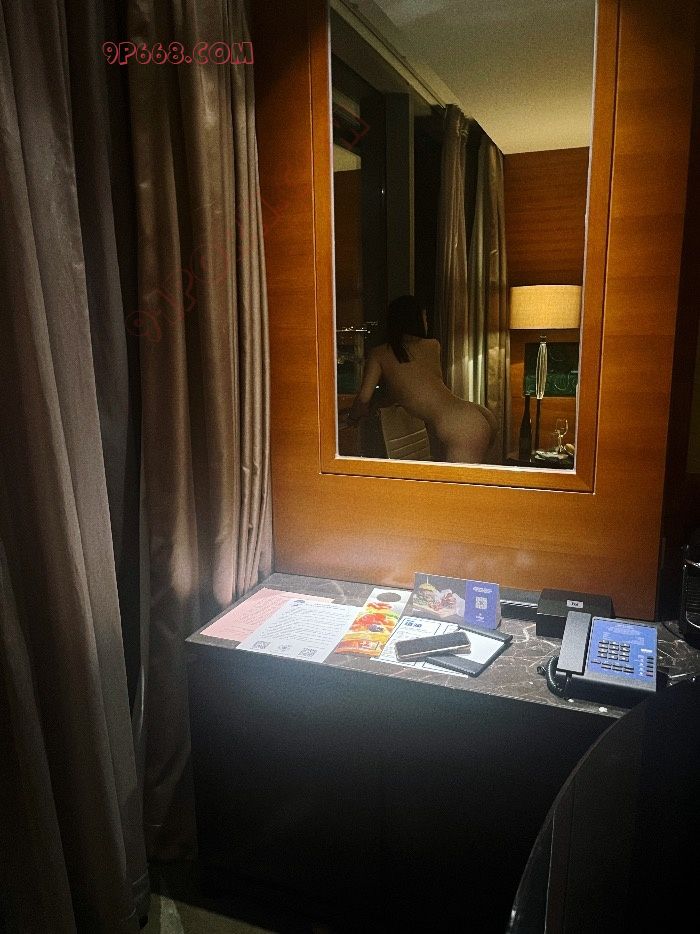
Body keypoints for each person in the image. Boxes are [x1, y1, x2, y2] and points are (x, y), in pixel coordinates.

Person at [349, 295, 497, 463]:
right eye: (424, 317)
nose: (426, 322)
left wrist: (352, 419)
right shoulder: (432, 345)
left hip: (464, 427)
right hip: (474, 415)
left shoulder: (379, 354)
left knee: (459, 481)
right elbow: (421, 387)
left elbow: (364, 398)